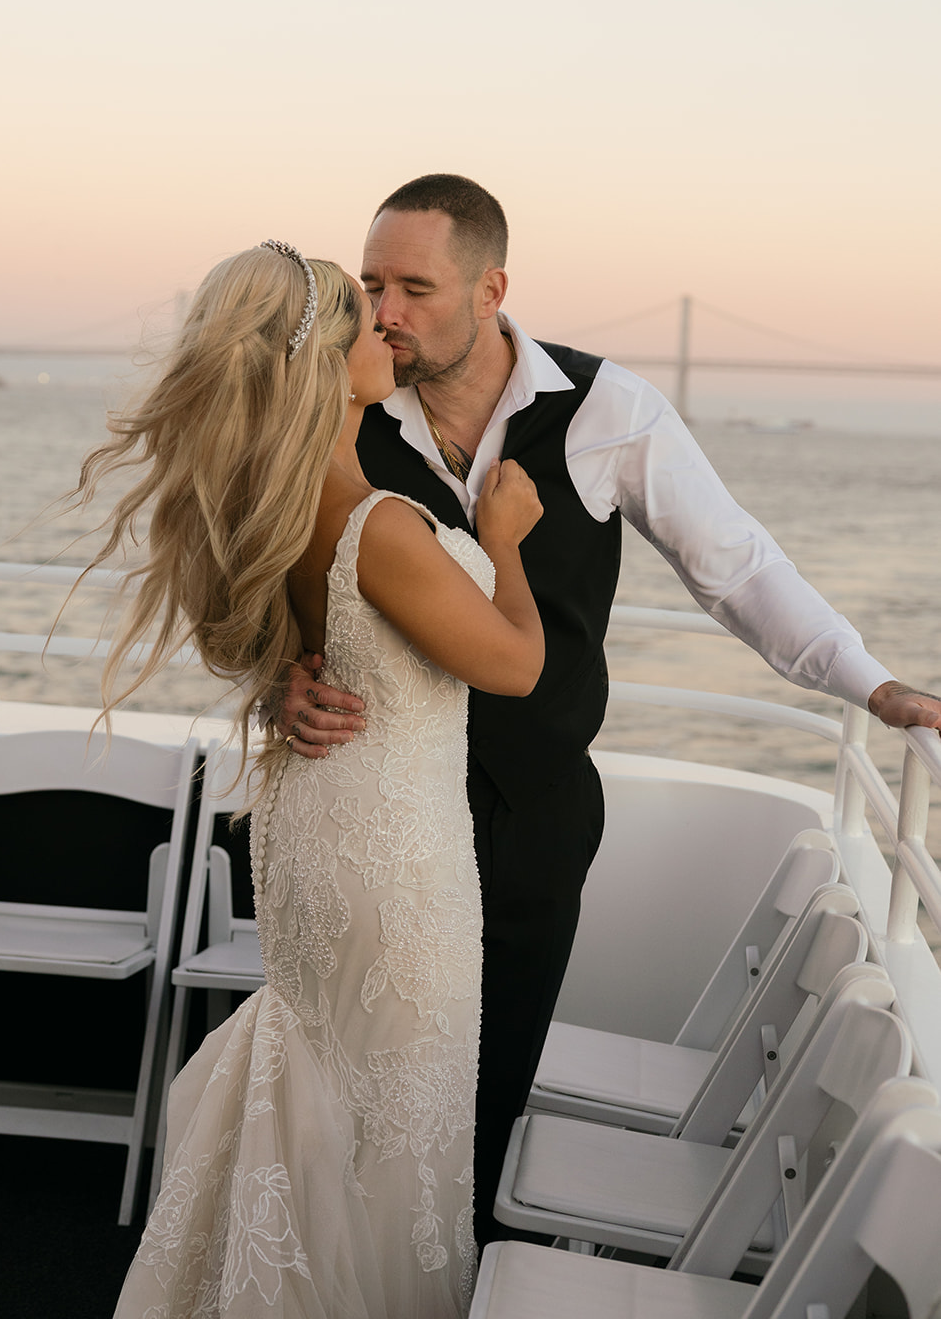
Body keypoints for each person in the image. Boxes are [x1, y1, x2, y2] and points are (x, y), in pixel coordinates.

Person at [278, 173, 941, 1248]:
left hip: (530, 815)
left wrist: (870, 684)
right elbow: (274, 572)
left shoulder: (610, 410)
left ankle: (449, 1284)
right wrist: (282, 677)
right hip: (380, 812)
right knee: (352, 1079)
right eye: (370, 284)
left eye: (413, 286)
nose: (384, 313)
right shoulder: (343, 408)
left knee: (481, 1096)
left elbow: (735, 567)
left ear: (489, 287)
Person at [82, 241, 544, 1319]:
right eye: (360, 318)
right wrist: (506, 541)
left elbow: (274, 645)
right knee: (391, 1128)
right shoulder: (376, 522)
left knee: (337, 1091)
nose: (386, 327)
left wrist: (275, 687)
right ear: (321, 364)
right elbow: (515, 666)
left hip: (315, 828)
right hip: (392, 863)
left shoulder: (276, 506)